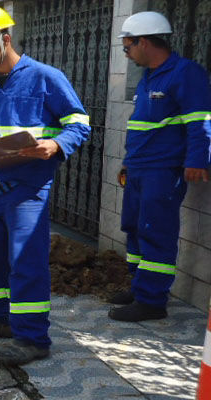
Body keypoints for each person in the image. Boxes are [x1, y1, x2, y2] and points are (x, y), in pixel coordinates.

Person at [0, 5, 90, 365]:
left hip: (27, 190)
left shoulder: (46, 77)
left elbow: (79, 123)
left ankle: (32, 338)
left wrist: (56, 145)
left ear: (5, 40)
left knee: (25, 262)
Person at [108, 11, 211, 322]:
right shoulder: (149, 77)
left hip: (163, 169)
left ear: (144, 42)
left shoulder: (185, 73)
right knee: (134, 227)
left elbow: (200, 120)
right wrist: (128, 162)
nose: (127, 54)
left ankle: (152, 300)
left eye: (127, 48)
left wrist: (197, 159)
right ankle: (141, 287)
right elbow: (144, 125)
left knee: (156, 231)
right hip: (139, 167)